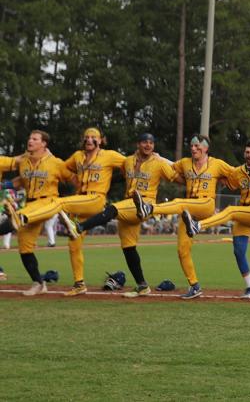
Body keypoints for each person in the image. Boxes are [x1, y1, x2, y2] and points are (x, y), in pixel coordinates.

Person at [132, 134, 233, 299]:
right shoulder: (186, 163)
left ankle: (149, 209)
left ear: (206, 148)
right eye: (192, 146)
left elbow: (236, 174)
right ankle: (195, 286)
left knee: (179, 202)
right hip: (188, 212)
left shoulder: (217, 164)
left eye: (197, 146)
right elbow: (172, 166)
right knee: (182, 250)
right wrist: (159, 157)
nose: (193, 148)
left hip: (206, 204)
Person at [76, 133, 177, 297]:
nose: (148, 145)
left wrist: (166, 160)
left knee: (112, 210)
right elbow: (119, 174)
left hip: (144, 203)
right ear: (138, 144)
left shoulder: (158, 162)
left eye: (151, 142)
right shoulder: (128, 161)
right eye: (145, 141)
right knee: (129, 248)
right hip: (129, 203)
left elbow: (175, 176)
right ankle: (142, 285)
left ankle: (80, 227)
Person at [183, 141, 250, 299]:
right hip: (244, 213)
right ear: (244, 154)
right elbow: (229, 182)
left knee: (231, 210)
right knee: (238, 252)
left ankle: (198, 226)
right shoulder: (239, 171)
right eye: (247, 152)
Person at [0, 131, 73, 295]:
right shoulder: (25, 161)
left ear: (44, 143)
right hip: (30, 204)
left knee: (18, 218)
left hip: (47, 202)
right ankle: (39, 284)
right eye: (30, 138)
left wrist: (77, 199)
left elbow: (71, 177)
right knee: (24, 248)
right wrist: (4, 186)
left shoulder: (55, 162)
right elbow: (20, 181)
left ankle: (65, 217)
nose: (30, 140)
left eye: (35, 139)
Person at [56, 127, 127, 296]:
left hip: (95, 199)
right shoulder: (77, 156)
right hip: (79, 201)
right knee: (74, 245)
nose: (89, 140)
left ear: (101, 140)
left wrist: (120, 178)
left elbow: (129, 163)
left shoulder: (109, 155)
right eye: (86, 137)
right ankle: (79, 284)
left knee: (56, 203)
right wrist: (72, 178)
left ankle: (60, 217)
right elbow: (61, 168)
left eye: (93, 137)